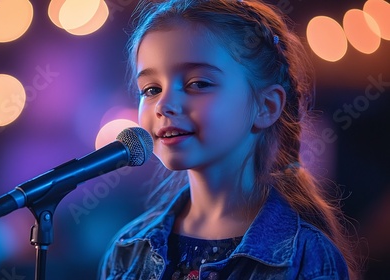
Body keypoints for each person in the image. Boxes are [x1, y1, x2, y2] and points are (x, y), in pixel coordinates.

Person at [99, 0, 360, 279]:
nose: (164, 105)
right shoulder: (128, 249)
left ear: (267, 106)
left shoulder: (307, 256)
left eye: (198, 83)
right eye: (151, 89)